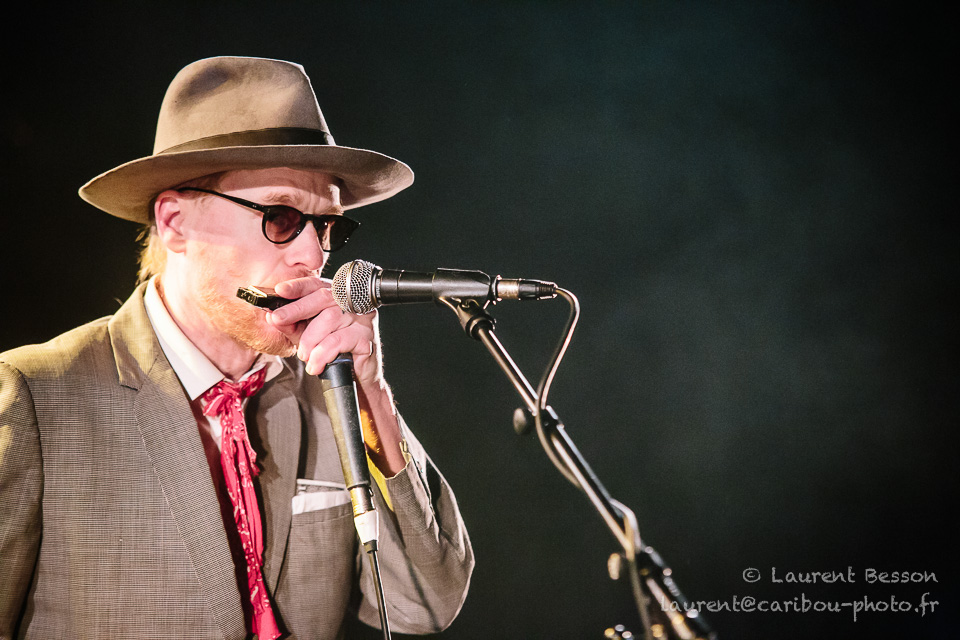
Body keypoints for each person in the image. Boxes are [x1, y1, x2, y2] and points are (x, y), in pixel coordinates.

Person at [0, 56, 473, 639]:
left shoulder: (332, 391)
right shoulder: (36, 397)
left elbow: (424, 606)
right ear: (175, 222)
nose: (314, 256)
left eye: (327, 226)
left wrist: (370, 392)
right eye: (281, 216)